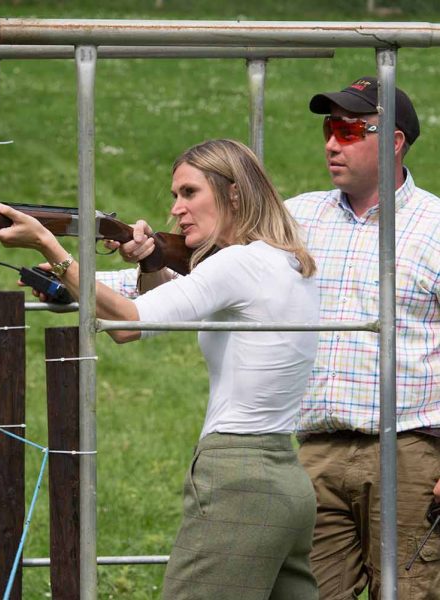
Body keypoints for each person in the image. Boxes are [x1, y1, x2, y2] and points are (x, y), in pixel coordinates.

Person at [108, 76, 440, 599]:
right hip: (311, 452)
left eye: (351, 128)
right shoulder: (296, 219)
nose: (332, 141)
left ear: (394, 141)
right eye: (330, 127)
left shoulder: (436, 226)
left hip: (411, 451)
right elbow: (207, 281)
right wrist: (104, 274)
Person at [0, 139, 321, 600]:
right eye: (174, 196)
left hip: (238, 478)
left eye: (189, 193)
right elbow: (164, 307)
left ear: (235, 194)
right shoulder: (282, 261)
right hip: (286, 480)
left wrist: (50, 245)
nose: (176, 210)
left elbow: (129, 324)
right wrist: (147, 261)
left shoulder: (238, 265)